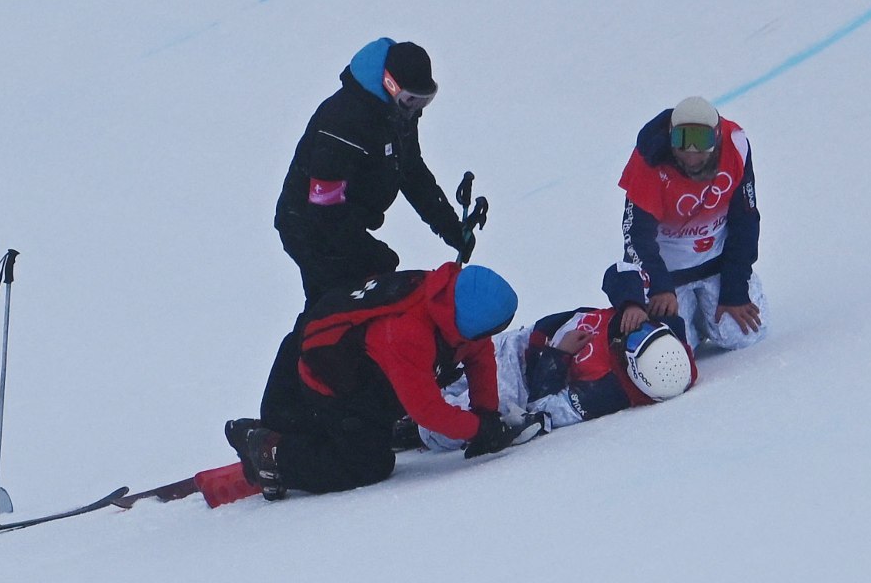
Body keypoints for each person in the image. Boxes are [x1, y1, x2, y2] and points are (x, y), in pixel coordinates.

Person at [262, 37, 475, 434]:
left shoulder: (396, 115)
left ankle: (353, 397)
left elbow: (412, 172)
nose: (416, 110)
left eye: (423, 102)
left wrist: (450, 227)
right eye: (411, 100)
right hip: (309, 225)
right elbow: (323, 204)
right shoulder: (344, 122)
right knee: (328, 312)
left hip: (346, 222)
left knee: (360, 306)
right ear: (390, 85)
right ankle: (285, 412)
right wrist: (372, 255)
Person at [227, 263, 533, 501]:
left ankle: (302, 433)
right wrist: (479, 430)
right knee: (368, 464)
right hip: (321, 384)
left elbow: (479, 354)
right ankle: (271, 451)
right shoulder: (408, 333)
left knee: (376, 428)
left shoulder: (449, 301)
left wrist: (486, 414)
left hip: (350, 372)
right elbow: (427, 410)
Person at [603, 96, 767, 352]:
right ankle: (691, 318)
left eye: (701, 142)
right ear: (670, 135)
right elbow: (636, 236)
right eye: (682, 140)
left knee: (742, 335)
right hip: (668, 276)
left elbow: (745, 220)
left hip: (716, 264)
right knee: (675, 351)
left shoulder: (736, 146)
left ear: (717, 136)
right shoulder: (649, 163)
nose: (691, 154)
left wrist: (735, 289)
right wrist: (659, 286)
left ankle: (704, 311)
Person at [409, 307, 697, 451]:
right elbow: (619, 274)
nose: (629, 332)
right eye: (643, 331)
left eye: (633, 343)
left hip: (516, 385)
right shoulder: (644, 322)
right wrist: (633, 303)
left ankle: (410, 429)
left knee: (438, 428)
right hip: (517, 343)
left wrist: (558, 354)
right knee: (432, 359)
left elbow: (544, 406)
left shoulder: (607, 392)